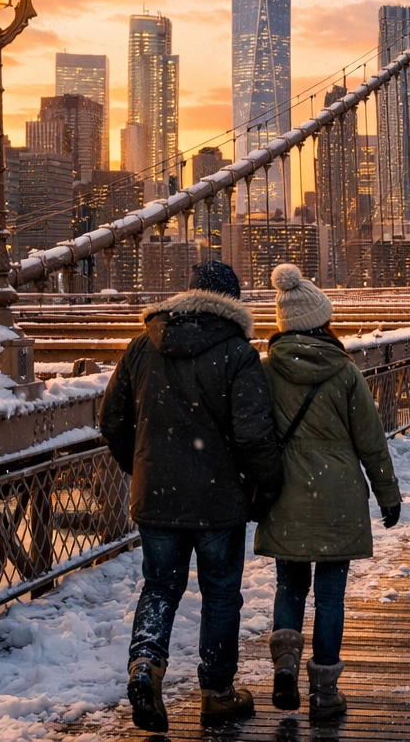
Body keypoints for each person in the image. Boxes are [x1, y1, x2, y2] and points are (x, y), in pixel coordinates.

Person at [100, 260, 283, 732]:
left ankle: (145, 663)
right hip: (219, 500)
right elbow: (254, 434)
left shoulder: (142, 346)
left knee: (160, 585)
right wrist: (264, 486)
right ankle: (218, 693)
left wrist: (141, 466)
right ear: (232, 303)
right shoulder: (237, 354)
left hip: (157, 494)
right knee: (221, 594)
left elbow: (112, 420)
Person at [255, 263, 402, 721]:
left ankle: (284, 664)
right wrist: (388, 494)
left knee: (290, 586)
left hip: (287, 494)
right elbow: (371, 441)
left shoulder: (263, 372)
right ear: (323, 320)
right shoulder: (344, 371)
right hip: (337, 495)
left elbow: (251, 434)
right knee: (331, 594)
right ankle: (324, 691)